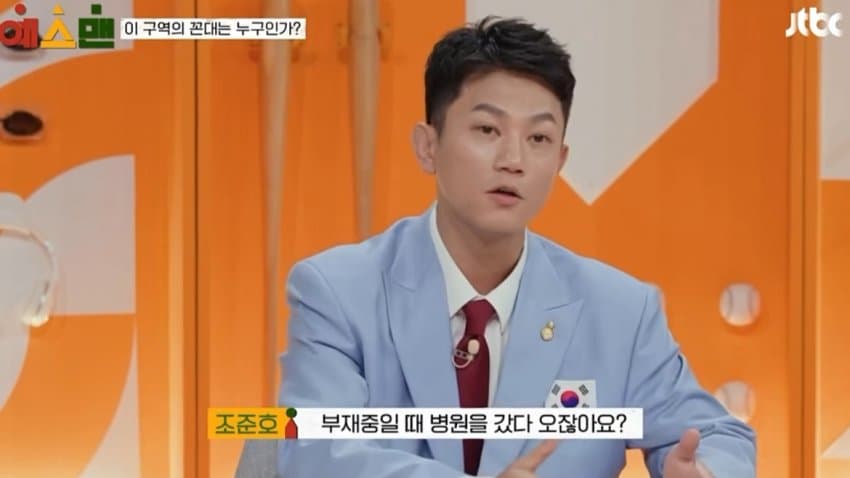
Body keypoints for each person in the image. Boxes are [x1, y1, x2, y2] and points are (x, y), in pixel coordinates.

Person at [276, 15, 756, 478]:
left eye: (539, 138)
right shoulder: (338, 292)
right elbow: (314, 451)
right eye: (488, 130)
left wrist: (704, 470)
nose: (513, 160)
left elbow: (719, 436)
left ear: (560, 161)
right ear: (428, 146)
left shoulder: (621, 313)